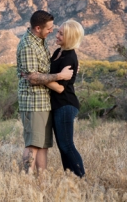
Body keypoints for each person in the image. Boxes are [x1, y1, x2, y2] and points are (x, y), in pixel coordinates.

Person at [16, 10, 73, 174]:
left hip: (44, 101)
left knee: (43, 144)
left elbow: (39, 73)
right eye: (49, 28)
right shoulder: (28, 46)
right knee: (33, 143)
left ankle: (42, 180)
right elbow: (33, 78)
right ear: (38, 28)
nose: (52, 31)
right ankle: (25, 178)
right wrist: (60, 76)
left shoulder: (40, 42)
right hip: (33, 101)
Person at [39, 19, 86, 177]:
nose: (56, 35)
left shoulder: (69, 57)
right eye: (58, 32)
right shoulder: (59, 53)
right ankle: (71, 178)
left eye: (61, 34)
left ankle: (80, 176)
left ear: (70, 37)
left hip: (65, 105)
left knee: (67, 145)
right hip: (57, 105)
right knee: (62, 146)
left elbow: (60, 88)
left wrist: (38, 78)